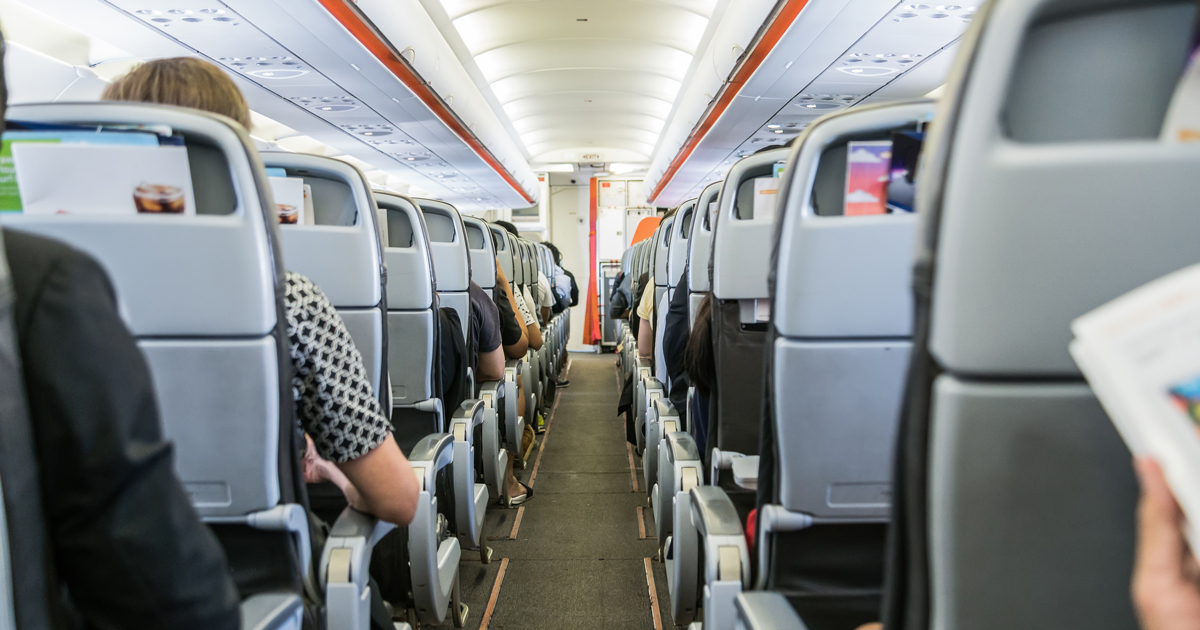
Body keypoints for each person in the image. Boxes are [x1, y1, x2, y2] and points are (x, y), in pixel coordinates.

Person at [103, 58, 419, 527]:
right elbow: (398, 499)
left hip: (60, 589)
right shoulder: (287, 303)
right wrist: (331, 468)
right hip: (254, 585)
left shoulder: (44, 298)